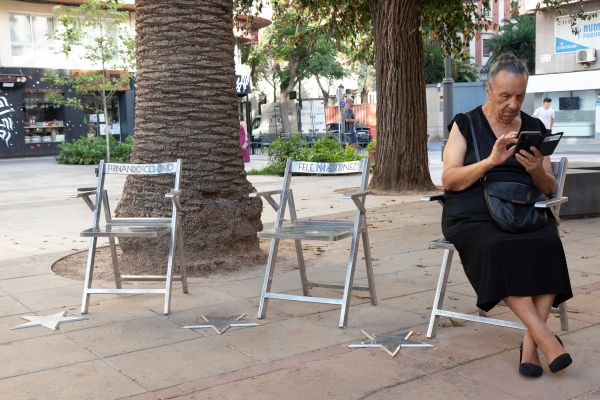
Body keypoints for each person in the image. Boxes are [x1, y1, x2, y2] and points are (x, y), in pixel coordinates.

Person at [442, 54, 572, 378]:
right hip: (472, 214)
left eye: (519, 96)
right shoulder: (465, 124)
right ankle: (544, 338)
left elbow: (548, 186)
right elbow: (449, 179)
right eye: (505, 96)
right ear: (488, 90)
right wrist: (490, 161)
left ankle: (529, 348)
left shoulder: (534, 128)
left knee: (549, 242)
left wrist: (535, 171)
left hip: (522, 210)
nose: (513, 105)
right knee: (497, 246)